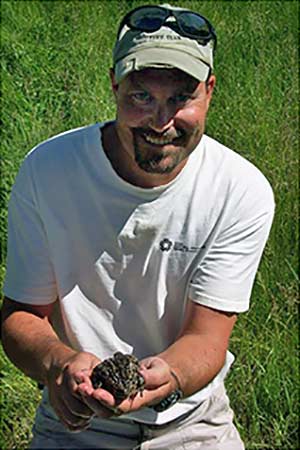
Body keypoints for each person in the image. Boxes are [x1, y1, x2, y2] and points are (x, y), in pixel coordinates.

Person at [2, 4, 275, 450]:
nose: (161, 122)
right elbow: (22, 316)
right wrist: (60, 363)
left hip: (192, 416)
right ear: (114, 84)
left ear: (210, 91)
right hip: (74, 416)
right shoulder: (48, 171)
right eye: (141, 96)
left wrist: (168, 375)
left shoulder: (240, 190)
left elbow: (207, 338)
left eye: (180, 97)